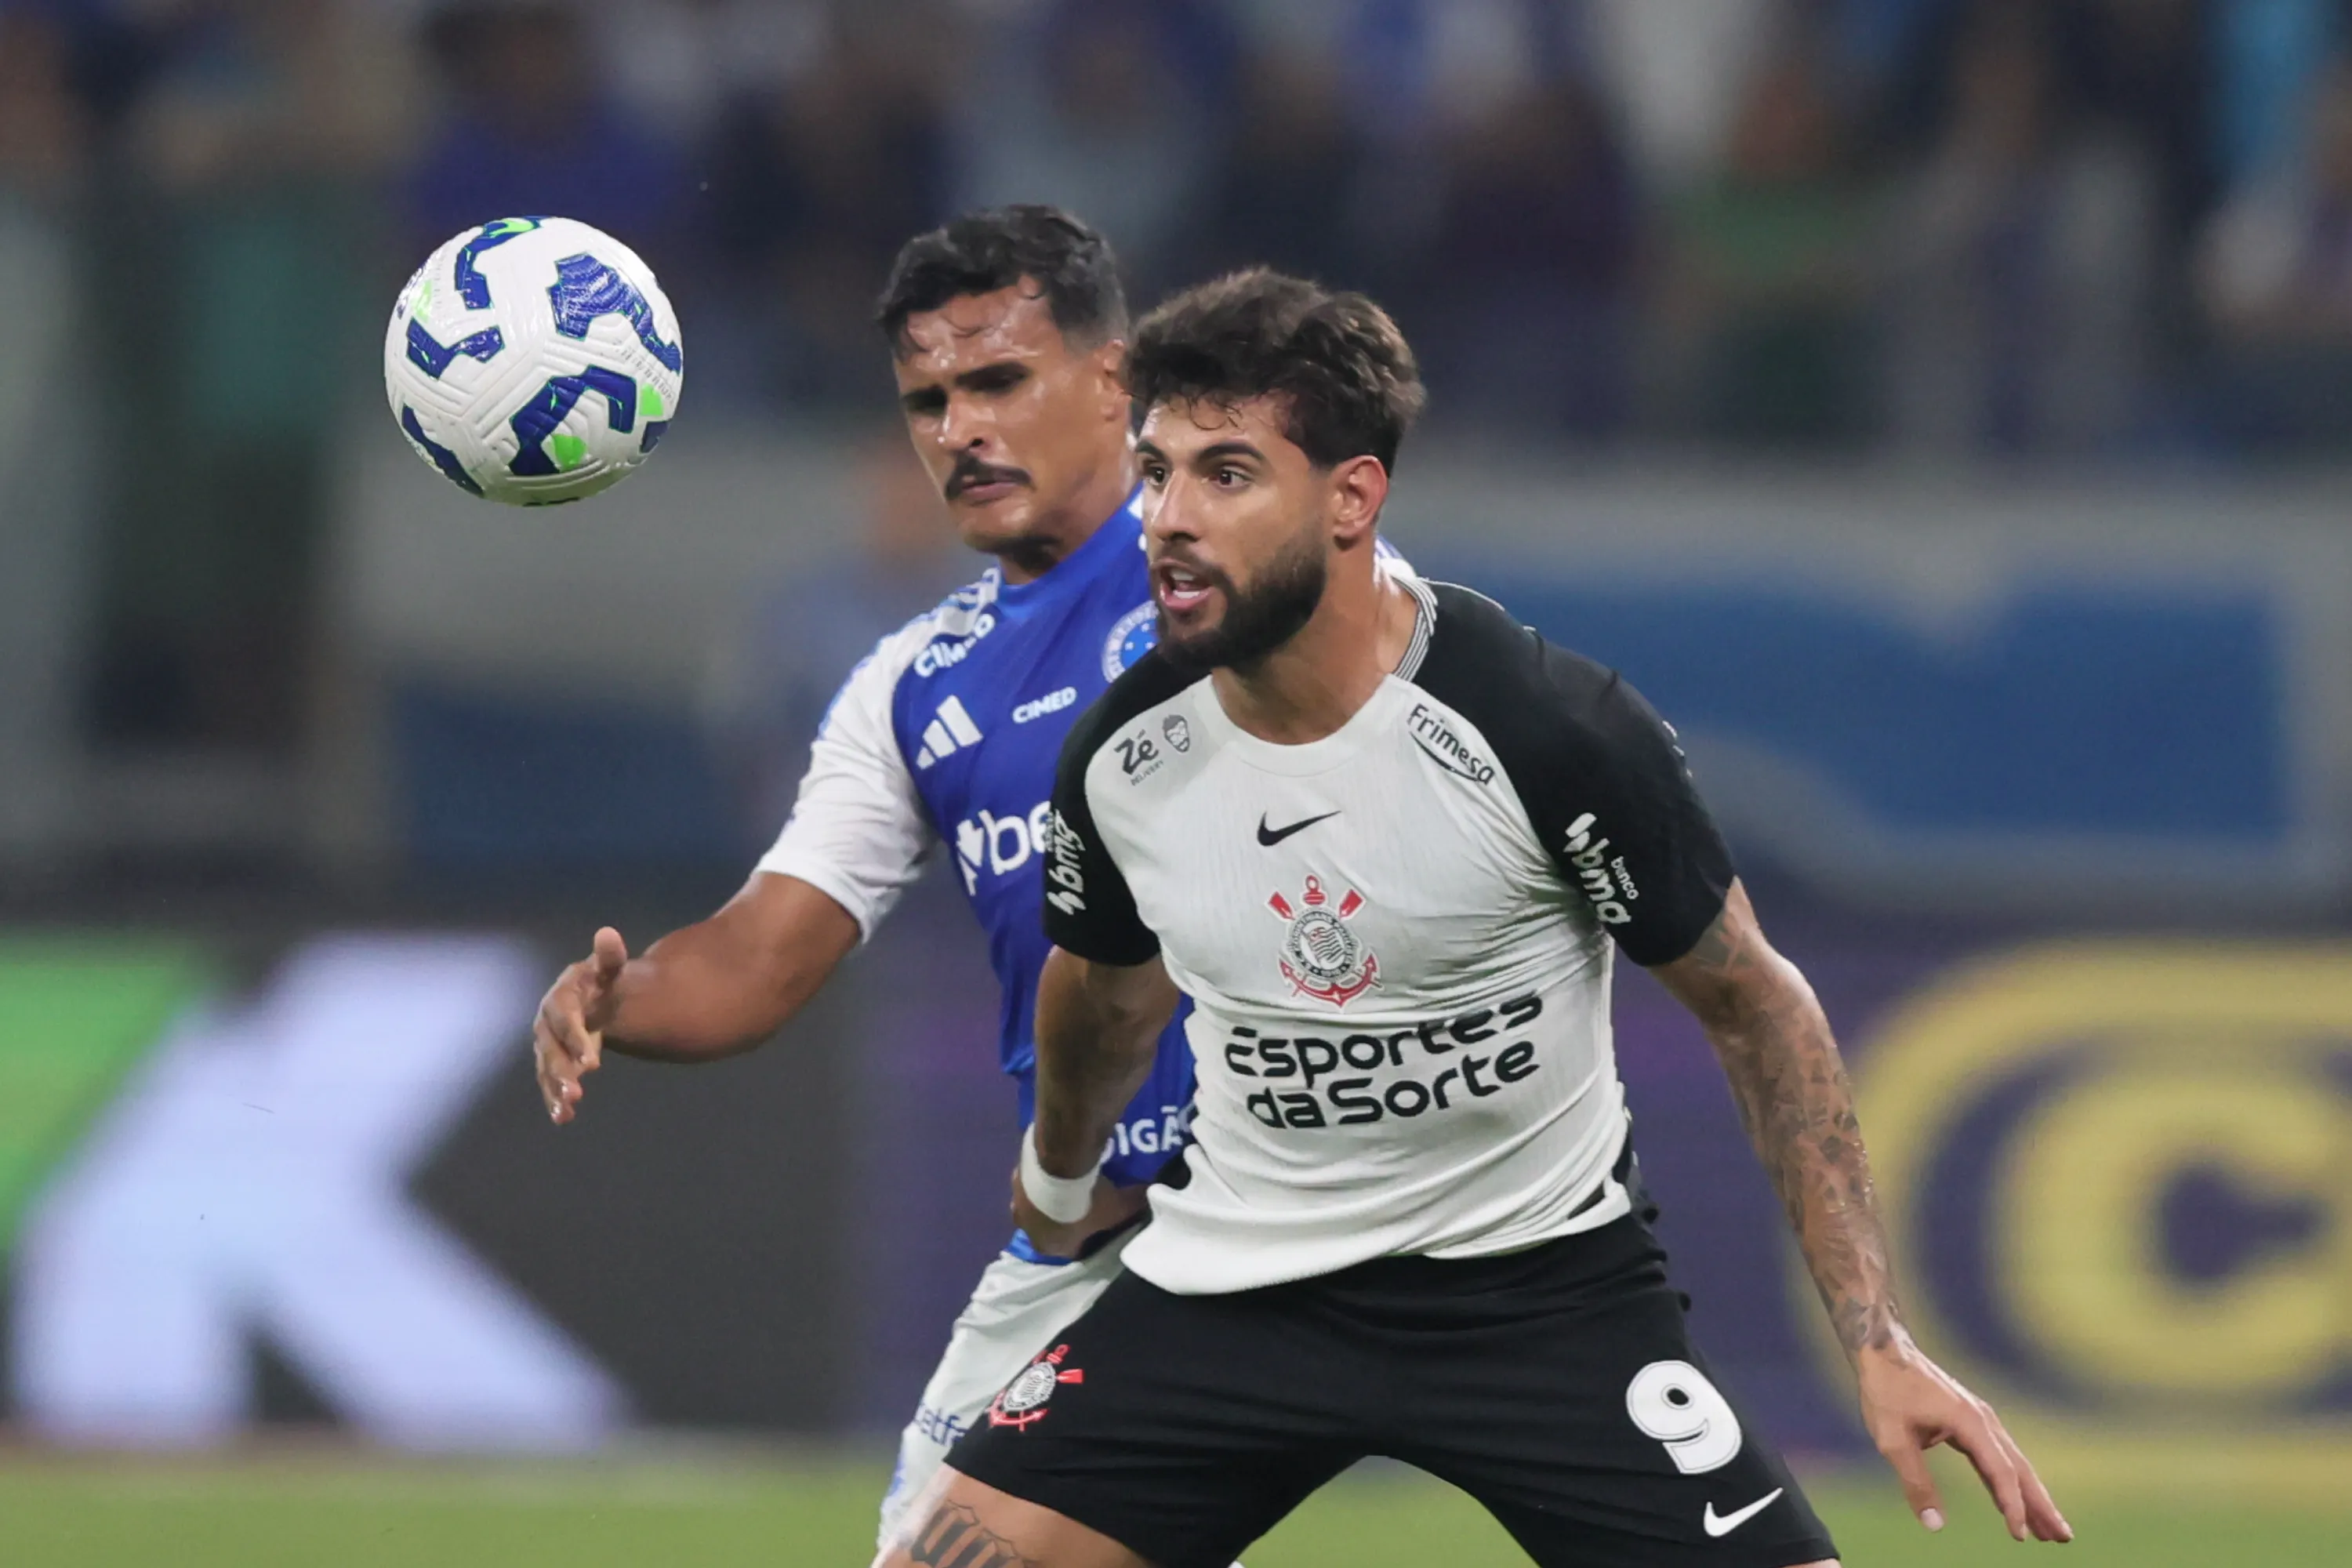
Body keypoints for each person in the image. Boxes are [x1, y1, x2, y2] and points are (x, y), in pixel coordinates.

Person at [883, 270, 2073, 1568]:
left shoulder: (1548, 731)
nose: (1168, 519)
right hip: (1229, 1292)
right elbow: (1103, 994)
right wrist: (1059, 1184)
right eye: (1156, 471)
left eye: (1226, 475)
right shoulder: (1125, 758)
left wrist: (1876, 1338)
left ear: (1352, 497)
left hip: (1541, 1299)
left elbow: (1757, 1008)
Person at [530, 206, 1192, 1544]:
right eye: (928, 402)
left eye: (998, 382)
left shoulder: (1239, 583)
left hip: (1377, 1203)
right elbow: (765, 952)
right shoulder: (913, 685)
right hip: (1113, 1253)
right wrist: (625, 997)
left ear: (1114, 382)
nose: (959, 430)